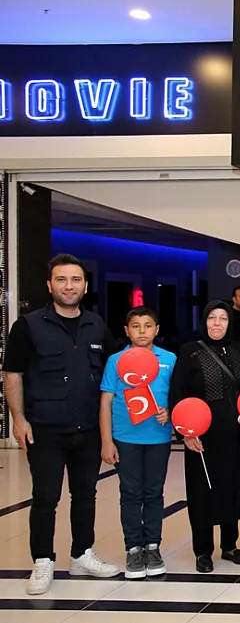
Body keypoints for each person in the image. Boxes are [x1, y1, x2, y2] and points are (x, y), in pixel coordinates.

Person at [2, 254, 121, 595]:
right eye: (61, 280)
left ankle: (82, 553)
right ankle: (43, 560)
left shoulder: (97, 325)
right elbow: (13, 374)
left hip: (87, 428)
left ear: (85, 285)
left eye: (75, 280)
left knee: (86, 495)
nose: (69, 286)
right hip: (45, 428)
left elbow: (113, 377)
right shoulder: (28, 325)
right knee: (45, 497)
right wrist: (19, 419)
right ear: (49, 285)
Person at [169, 301, 240, 573]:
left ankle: (230, 545)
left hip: (237, 433)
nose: (217, 324)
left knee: (232, 488)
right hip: (202, 435)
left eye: (223, 319)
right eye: (212, 318)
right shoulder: (190, 351)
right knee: (202, 491)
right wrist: (185, 432)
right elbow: (178, 394)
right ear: (204, 321)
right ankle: (202, 550)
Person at [98, 307, 176, 579]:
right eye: (136, 326)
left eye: (147, 326)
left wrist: (171, 413)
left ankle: (153, 547)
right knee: (130, 493)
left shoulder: (169, 360)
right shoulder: (115, 361)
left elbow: (177, 397)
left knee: (154, 492)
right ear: (126, 330)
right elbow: (106, 402)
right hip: (125, 438)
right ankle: (133, 548)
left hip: (158, 438)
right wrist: (107, 441)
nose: (142, 331)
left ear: (157, 329)